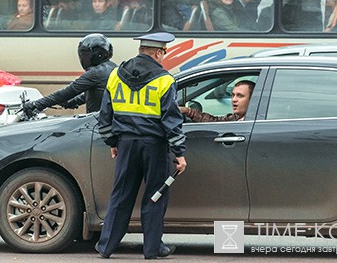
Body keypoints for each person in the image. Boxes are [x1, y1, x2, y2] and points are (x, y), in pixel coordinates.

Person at [96, 32, 187, 259]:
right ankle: (152, 248)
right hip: (154, 147)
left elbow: (105, 115)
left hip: (126, 145)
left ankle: (106, 247)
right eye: (163, 53)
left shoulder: (116, 75)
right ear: (158, 52)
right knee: (155, 195)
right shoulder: (164, 80)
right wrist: (179, 153)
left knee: (121, 195)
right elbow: (171, 120)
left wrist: (113, 142)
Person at [22, 33, 116, 116]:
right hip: (110, 120)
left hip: (99, 123)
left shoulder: (95, 73)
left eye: (86, 55)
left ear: (97, 55)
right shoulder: (113, 68)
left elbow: (67, 92)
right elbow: (99, 93)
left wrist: (35, 104)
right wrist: (73, 102)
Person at [180, 80, 255, 122]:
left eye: (240, 96)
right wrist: (188, 111)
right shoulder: (235, 118)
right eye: (233, 95)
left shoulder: (254, 121)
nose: (234, 99)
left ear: (253, 99)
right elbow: (214, 121)